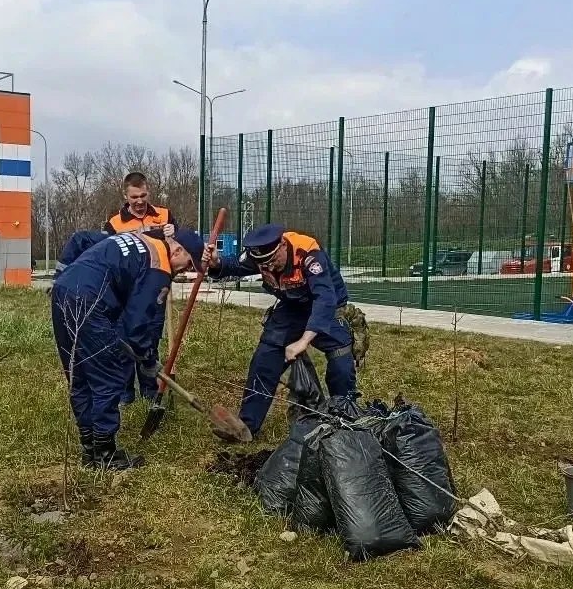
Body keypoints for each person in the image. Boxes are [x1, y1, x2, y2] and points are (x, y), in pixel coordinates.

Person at [51, 227, 205, 470]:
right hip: (91, 300)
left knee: (78, 373)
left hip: (63, 290)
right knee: (107, 376)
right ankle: (105, 454)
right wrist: (147, 358)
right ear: (176, 250)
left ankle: (89, 449)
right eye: (187, 264)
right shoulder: (159, 267)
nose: (185, 271)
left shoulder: (143, 240)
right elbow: (138, 323)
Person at [202, 223, 367, 440]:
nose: (269, 267)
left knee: (340, 360)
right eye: (263, 264)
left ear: (282, 245)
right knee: (265, 358)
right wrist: (216, 262)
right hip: (292, 307)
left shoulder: (308, 253)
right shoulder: (260, 255)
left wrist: (304, 341)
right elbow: (235, 265)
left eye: (272, 260)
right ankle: (247, 426)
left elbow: (325, 299)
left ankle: (345, 418)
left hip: (329, 308)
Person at [102, 171, 179, 403]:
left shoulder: (164, 215)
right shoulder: (115, 223)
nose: (139, 201)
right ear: (125, 195)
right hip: (126, 291)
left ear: (148, 192)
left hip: (155, 287)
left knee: (151, 338)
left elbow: (178, 249)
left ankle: (149, 390)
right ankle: (126, 394)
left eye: (143, 195)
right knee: (125, 341)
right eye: (134, 196)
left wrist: (173, 234)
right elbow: (107, 254)